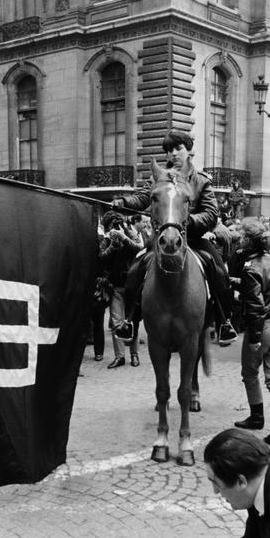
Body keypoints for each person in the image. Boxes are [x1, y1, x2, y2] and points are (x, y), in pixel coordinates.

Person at [111, 130, 238, 345]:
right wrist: (123, 203)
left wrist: (186, 221)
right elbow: (142, 198)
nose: (173, 154)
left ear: (189, 151)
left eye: (178, 148)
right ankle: (130, 321)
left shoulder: (201, 181)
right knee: (135, 269)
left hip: (193, 239)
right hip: (162, 240)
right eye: (169, 150)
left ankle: (224, 322)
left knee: (219, 271)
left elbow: (211, 213)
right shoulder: (159, 177)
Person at [233, 221, 270, 445]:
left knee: (249, 373)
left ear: (249, 240)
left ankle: (257, 417)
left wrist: (255, 338)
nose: (239, 240)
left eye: (242, 237)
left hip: (263, 326)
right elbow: (266, 286)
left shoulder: (250, 267)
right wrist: (239, 283)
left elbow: (256, 306)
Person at [99, 211, 141, 368]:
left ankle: (134, 355)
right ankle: (120, 357)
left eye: (117, 224)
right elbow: (102, 257)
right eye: (112, 225)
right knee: (117, 322)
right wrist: (113, 244)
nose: (115, 227)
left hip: (132, 286)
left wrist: (124, 236)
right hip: (116, 286)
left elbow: (139, 247)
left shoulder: (128, 233)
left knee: (132, 321)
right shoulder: (108, 239)